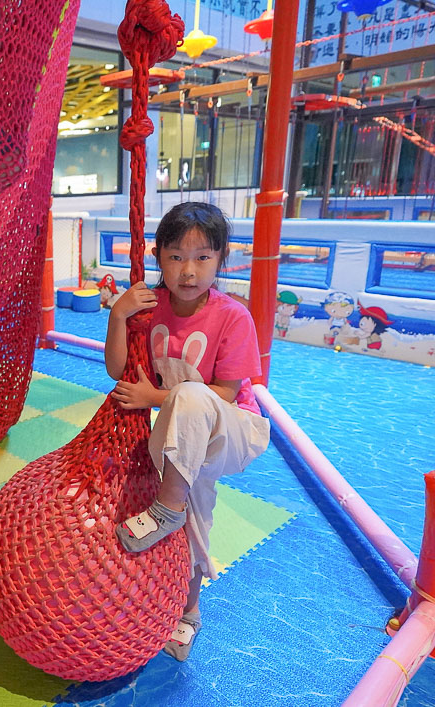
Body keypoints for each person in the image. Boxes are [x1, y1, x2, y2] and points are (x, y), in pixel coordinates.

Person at [103, 202, 270, 661]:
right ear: (158, 257)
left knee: (191, 395)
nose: (189, 270)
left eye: (202, 257)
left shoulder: (231, 315)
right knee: (198, 517)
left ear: (221, 259)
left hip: (232, 429)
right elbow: (120, 371)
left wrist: (154, 398)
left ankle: (166, 510)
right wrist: (118, 315)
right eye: (176, 256)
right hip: (181, 434)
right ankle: (188, 611)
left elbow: (226, 392)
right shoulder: (150, 307)